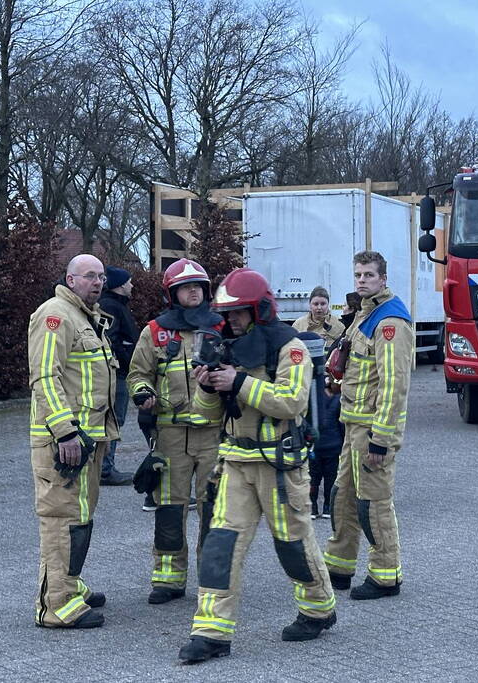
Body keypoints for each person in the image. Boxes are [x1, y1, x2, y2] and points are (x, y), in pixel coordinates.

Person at [178, 268, 336, 664]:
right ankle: (211, 632)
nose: (230, 321)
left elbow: (292, 401)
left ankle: (318, 609)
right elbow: (206, 414)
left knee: (293, 545)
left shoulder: (290, 347)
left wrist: (239, 383)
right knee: (220, 545)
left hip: (280, 465)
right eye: (227, 314)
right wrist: (207, 387)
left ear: (260, 309)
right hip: (236, 462)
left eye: (238, 313)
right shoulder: (225, 348)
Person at [27, 254, 120, 629]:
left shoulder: (86, 317)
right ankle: (55, 605)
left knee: (80, 517)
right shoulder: (55, 316)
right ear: (70, 278)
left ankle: (69, 585)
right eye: (88, 276)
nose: (97, 282)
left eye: (100, 276)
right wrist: (64, 430)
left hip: (87, 441)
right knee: (61, 520)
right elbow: (44, 377)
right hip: (64, 442)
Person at [127, 259, 224, 605]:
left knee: (214, 507)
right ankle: (169, 579)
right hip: (169, 434)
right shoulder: (154, 331)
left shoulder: (221, 325)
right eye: (186, 287)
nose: (193, 291)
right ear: (172, 293)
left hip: (214, 434)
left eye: (198, 286)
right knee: (170, 508)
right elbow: (138, 373)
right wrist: (141, 392)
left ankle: (212, 578)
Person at [324, 251, 413, 601]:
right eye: (358, 274)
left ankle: (385, 575)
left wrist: (381, 439)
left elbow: (393, 386)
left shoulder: (390, 322)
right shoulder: (365, 315)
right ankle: (340, 566)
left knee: (373, 504)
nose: (361, 280)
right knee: (342, 497)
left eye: (369, 275)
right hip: (353, 424)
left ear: (383, 279)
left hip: (372, 431)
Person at [97, 266, 137, 486]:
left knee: (111, 419)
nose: (132, 285)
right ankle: (105, 470)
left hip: (118, 371)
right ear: (121, 285)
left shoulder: (114, 305)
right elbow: (109, 340)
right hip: (117, 373)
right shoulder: (111, 307)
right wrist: (125, 358)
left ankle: (103, 467)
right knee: (113, 419)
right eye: (129, 281)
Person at [309, 377, 343, 520]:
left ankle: (313, 507)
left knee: (313, 478)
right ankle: (328, 507)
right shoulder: (338, 400)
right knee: (330, 478)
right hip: (333, 447)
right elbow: (342, 425)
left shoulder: (314, 400)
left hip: (315, 447)